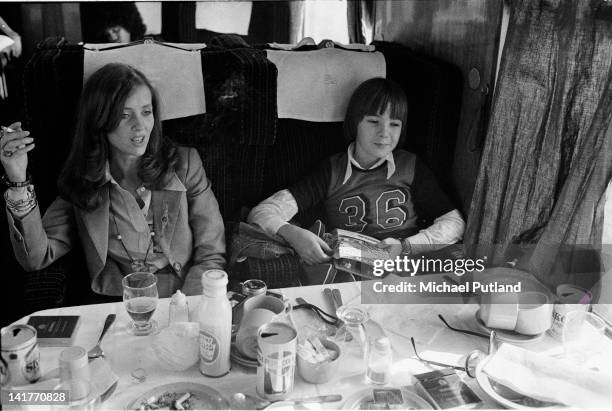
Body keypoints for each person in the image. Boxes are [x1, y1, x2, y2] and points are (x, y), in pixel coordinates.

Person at [0, 63, 225, 298]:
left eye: (146, 112)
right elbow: (36, 258)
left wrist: (193, 304)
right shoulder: (83, 181)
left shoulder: (185, 163)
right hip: (122, 304)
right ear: (100, 121)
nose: (140, 126)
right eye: (124, 115)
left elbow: (212, 250)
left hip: (189, 294)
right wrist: (18, 179)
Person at [248, 77, 465, 280]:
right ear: (355, 123)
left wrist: (405, 246)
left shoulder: (411, 166)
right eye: (373, 121)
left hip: (409, 268)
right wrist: (294, 234)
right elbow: (262, 212)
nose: (384, 133)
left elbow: (454, 223)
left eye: (394, 124)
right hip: (353, 275)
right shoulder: (332, 171)